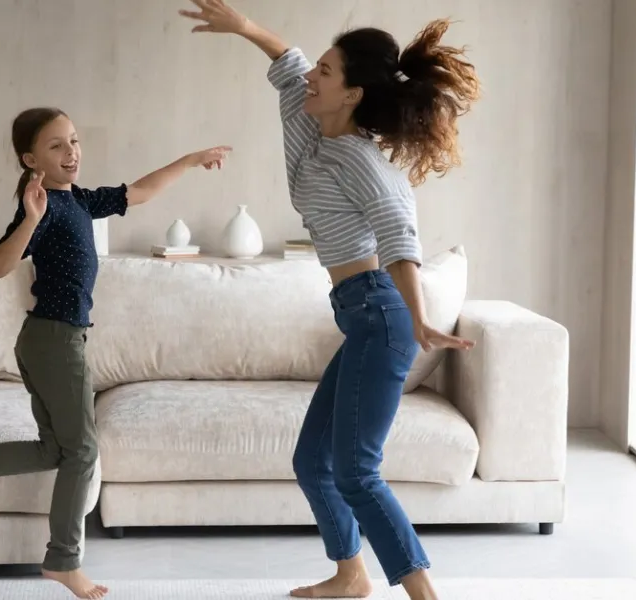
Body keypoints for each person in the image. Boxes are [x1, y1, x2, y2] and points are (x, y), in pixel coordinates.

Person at [180, 2, 481, 599]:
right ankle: (351, 575)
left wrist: (420, 317)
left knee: (356, 472)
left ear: (352, 94)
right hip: (361, 315)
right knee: (312, 461)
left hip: (382, 314)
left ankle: (425, 595)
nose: (311, 77)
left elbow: (399, 236)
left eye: (326, 71)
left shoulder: (361, 159)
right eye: (317, 67)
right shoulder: (310, 122)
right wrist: (243, 28)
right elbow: (287, 61)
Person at [0, 106, 230, 600]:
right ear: (31, 159)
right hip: (54, 341)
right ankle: (64, 560)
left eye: (75, 141)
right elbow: (1, 264)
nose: (71, 152)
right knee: (82, 450)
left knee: (55, 450)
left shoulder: (79, 199)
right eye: (56, 145)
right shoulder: (43, 206)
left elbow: (140, 191)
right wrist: (31, 217)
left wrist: (191, 160)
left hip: (54, 340)